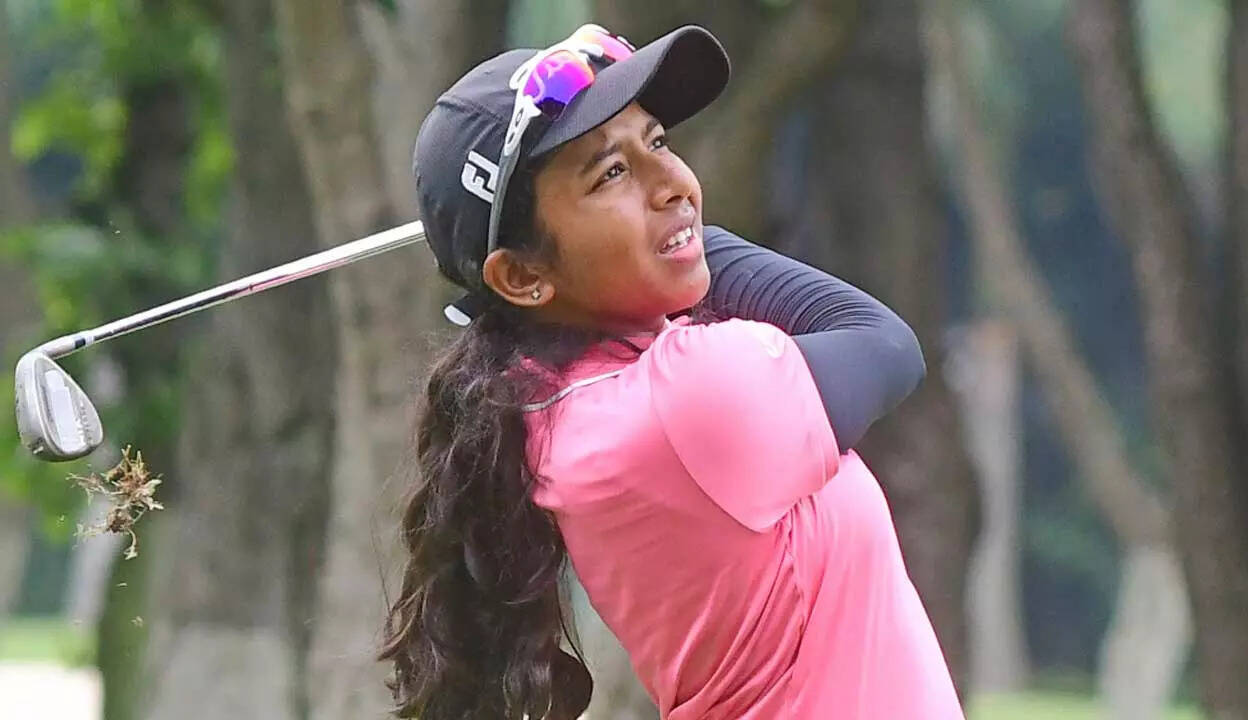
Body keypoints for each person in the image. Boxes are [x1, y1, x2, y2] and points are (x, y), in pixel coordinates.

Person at [380, 23, 965, 720]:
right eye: (611, 173)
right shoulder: (685, 399)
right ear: (523, 277)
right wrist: (690, 237)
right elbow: (882, 343)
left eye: (656, 142)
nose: (674, 184)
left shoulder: (561, 398)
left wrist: (665, 234)